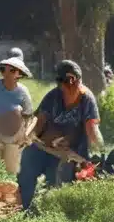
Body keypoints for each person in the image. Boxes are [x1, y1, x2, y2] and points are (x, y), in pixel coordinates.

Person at [17, 60, 102, 210]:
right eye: (66, 84)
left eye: (74, 82)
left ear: (78, 81)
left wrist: (99, 151)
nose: (70, 87)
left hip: (73, 152)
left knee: (58, 176)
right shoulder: (53, 97)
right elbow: (38, 121)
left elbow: (92, 130)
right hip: (47, 147)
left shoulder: (87, 99)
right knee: (28, 161)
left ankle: (55, 211)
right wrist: (27, 136)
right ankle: (26, 207)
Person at [0, 48, 34, 174]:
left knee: (11, 172)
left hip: (15, 138)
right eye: (10, 70)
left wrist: (24, 134)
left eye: (16, 71)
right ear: (3, 71)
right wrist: (0, 123)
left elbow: (28, 115)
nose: (13, 74)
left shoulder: (23, 91)